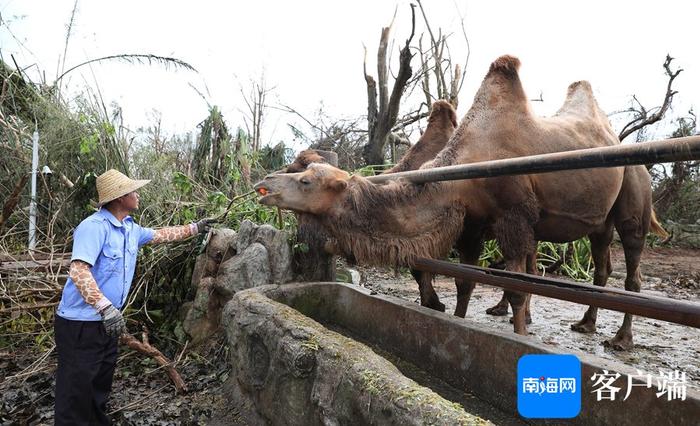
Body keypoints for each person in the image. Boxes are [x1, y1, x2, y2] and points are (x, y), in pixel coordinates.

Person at [54, 169, 214, 425]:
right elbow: (78, 270)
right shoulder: (93, 227)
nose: (138, 195)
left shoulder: (130, 229)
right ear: (119, 198)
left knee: (99, 385)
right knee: (76, 391)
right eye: (133, 191)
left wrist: (195, 228)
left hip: (108, 324)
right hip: (80, 325)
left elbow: (162, 234)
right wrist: (105, 307)